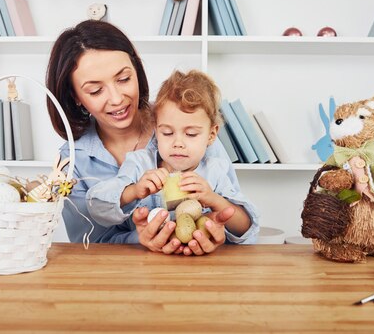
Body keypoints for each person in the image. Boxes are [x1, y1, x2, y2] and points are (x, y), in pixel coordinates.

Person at [46, 20, 253, 255]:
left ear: (136, 70)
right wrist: (139, 238)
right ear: (75, 96)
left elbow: (238, 227)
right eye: (95, 90)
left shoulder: (186, 120)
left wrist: (216, 233)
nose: (116, 99)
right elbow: (87, 244)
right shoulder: (71, 160)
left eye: (124, 79)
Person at [86, 70, 259, 248]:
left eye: (191, 134)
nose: (178, 143)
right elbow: (95, 205)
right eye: (167, 133)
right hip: (146, 264)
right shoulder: (139, 164)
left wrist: (213, 199)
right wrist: (134, 190)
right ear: (156, 129)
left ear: (211, 135)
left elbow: (246, 226)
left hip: (201, 266)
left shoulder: (215, 171)